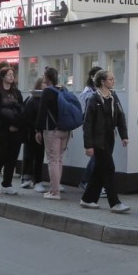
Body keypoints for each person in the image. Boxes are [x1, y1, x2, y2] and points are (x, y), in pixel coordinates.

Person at [79, 70, 130, 213]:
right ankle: (115, 203)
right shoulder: (94, 99)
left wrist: (124, 135)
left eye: (113, 79)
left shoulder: (113, 96)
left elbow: (120, 116)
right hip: (98, 139)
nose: (113, 81)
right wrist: (88, 145)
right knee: (109, 168)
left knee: (98, 170)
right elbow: (87, 123)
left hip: (109, 138)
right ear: (102, 81)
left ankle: (87, 199)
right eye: (110, 79)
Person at [0, 67, 24, 195]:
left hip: (16, 129)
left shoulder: (16, 92)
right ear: (2, 77)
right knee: (1, 156)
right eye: (8, 74)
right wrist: (9, 124)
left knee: (12, 158)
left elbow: (22, 108)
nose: (11, 77)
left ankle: (7, 184)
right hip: (1, 129)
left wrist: (17, 124)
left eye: (13, 74)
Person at [36, 67, 72, 199]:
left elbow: (42, 112)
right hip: (65, 130)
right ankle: (57, 187)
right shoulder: (63, 89)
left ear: (47, 78)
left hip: (52, 130)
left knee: (52, 160)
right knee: (59, 159)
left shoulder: (47, 92)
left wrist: (38, 130)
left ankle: (54, 191)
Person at [77, 65, 102, 192]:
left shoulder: (102, 93)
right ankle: (88, 181)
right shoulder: (88, 94)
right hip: (92, 129)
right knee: (97, 156)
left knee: (98, 157)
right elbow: (87, 114)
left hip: (100, 129)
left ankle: (87, 181)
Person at [20, 76, 46, 190]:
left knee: (38, 156)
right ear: (39, 85)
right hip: (32, 132)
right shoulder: (33, 100)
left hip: (38, 131)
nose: (46, 85)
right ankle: (29, 178)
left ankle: (32, 178)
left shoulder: (40, 99)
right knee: (31, 155)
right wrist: (36, 128)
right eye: (44, 83)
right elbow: (26, 117)